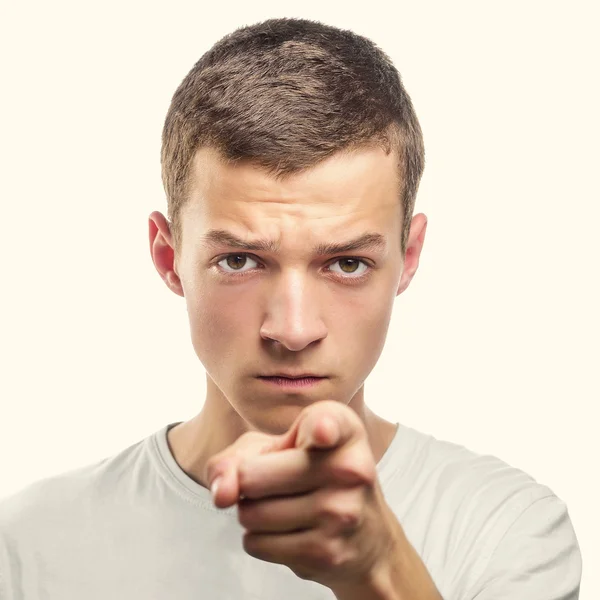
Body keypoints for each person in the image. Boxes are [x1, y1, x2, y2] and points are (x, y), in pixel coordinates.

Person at [0, 17, 582, 600]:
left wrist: (379, 569)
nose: (293, 330)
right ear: (168, 256)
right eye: (240, 260)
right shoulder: (30, 544)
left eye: (347, 264)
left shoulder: (506, 528)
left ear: (408, 258)